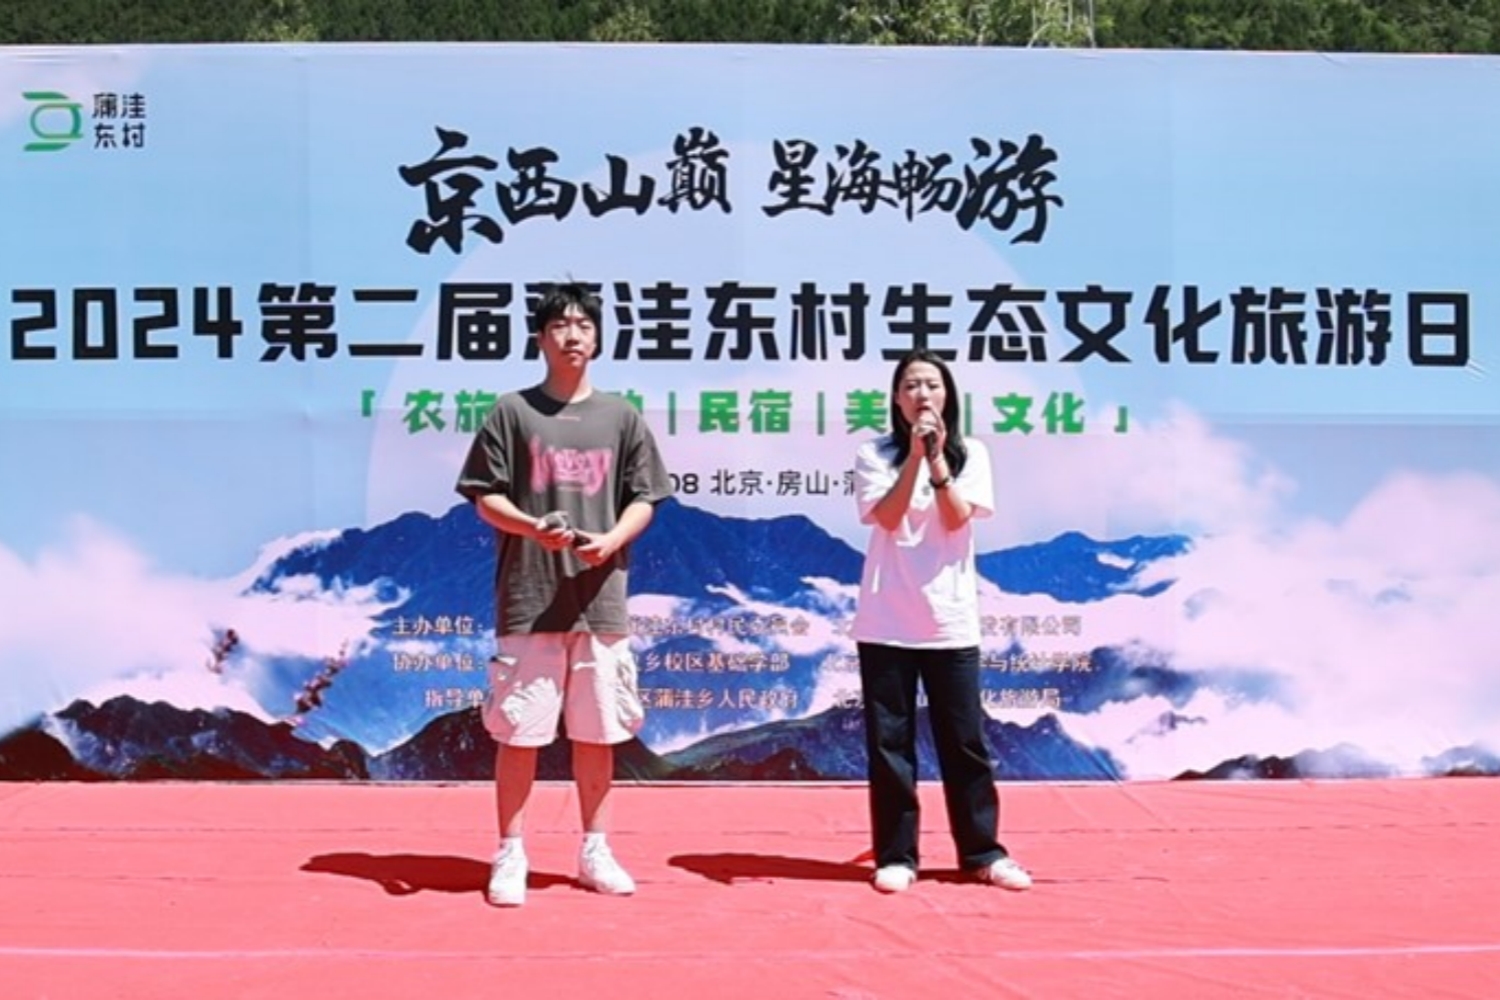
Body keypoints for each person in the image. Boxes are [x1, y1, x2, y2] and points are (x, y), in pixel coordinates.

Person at [455, 281, 672, 907]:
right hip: (529, 595)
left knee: (598, 732)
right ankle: (510, 852)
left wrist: (612, 540)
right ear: (540, 338)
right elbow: (485, 497)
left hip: (600, 597)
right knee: (519, 732)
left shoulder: (621, 416)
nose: (572, 335)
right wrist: (531, 527)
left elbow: (645, 498)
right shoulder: (512, 412)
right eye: (559, 325)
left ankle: (594, 849)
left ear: (598, 339)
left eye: (583, 325)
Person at [849, 348, 1032, 894]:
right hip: (886, 619)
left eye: (931, 384)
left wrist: (936, 461)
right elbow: (886, 516)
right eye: (911, 385)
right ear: (896, 398)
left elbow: (955, 519)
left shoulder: (972, 453)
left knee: (964, 742)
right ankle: (897, 856)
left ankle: (982, 853)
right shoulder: (873, 453)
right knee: (891, 745)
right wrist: (911, 456)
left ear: (947, 395)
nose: (921, 394)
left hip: (950, 621)